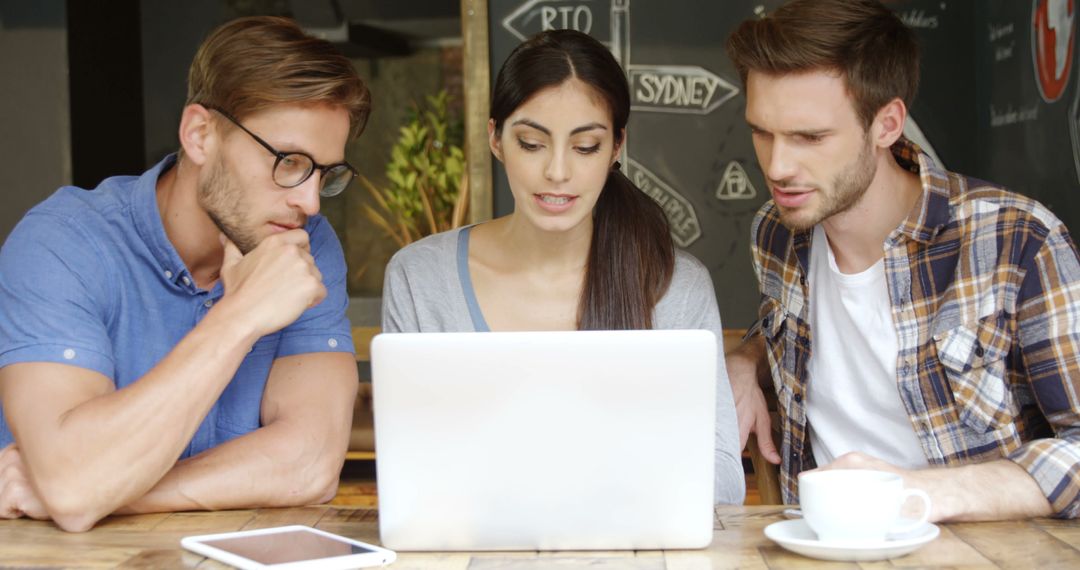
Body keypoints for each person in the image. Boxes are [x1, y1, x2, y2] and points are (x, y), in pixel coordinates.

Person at [0, 16, 371, 531]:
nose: (309, 202)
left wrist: (110, 490)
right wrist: (239, 317)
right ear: (201, 135)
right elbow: (74, 484)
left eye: (326, 174)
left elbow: (309, 465)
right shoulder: (62, 243)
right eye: (289, 161)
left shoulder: (304, 243)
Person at [725, 0, 1080, 520]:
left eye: (810, 137)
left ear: (887, 124)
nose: (778, 166)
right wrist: (745, 361)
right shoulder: (778, 233)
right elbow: (817, 328)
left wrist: (917, 494)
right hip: (819, 547)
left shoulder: (1017, 240)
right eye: (762, 131)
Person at [381, 29, 745, 505]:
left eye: (585, 146)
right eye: (532, 143)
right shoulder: (419, 279)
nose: (557, 172)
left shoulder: (674, 285)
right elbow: (409, 473)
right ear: (495, 138)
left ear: (617, 147)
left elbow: (720, 477)